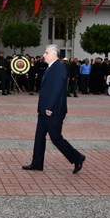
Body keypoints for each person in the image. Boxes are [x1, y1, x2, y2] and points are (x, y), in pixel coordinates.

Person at [22, 44, 86, 174]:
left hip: (53, 110)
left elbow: (57, 89)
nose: (44, 55)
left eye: (46, 53)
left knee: (56, 138)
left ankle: (77, 157)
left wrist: (49, 107)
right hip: (44, 109)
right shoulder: (51, 67)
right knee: (39, 136)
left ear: (54, 54)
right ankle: (37, 163)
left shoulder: (59, 68)